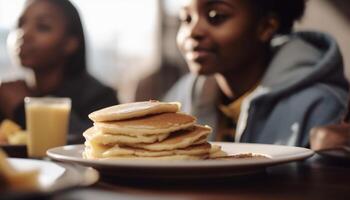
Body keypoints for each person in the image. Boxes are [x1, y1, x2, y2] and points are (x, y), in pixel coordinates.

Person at [164, 0, 349, 147]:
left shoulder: (321, 106)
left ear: (266, 27)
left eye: (216, 16)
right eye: (186, 18)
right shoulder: (180, 97)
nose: (193, 31)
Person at [0, 0, 118, 143]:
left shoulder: (99, 97)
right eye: (20, 25)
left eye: (43, 27)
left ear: (70, 44)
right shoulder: (7, 93)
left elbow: (98, 144)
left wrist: (23, 108)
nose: (24, 34)